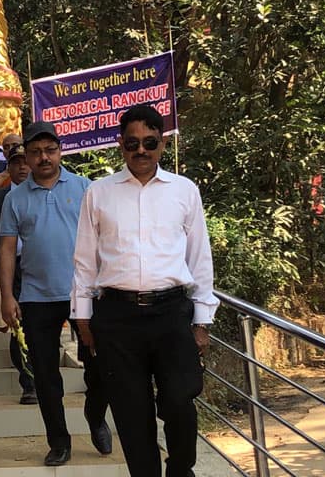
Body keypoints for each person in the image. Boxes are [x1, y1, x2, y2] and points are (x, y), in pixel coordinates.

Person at [73, 104, 218, 477]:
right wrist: (83, 317)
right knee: (131, 411)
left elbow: (199, 258)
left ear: (161, 145)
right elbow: (85, 261)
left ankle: (180, 469)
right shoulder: (99, 193)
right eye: (132, 143)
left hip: (171, 314)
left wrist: (202, 320)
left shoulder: (184, 191)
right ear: (121, 145)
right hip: (117, 318)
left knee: (180, 401)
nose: (141, 151)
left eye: (149, 143)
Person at [0, 122, 110, 466]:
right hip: (36, 297)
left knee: (101, 368)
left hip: (85, 295)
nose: (43, 157)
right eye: (35, 152)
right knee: (45, 376)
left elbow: (105, 240)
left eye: (50, 150)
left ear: (60, 151)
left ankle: (95, 415)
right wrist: (6, 296)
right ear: (25, 157)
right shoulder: (14, 198)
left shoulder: (85, 188)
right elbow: (6, 248)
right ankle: (59, 441)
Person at [0, 144, 36, 405]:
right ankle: (29, 382)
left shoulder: (47, 195)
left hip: (42, 271)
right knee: (19, 325)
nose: (23, 167)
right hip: (11, 270)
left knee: (40, 328)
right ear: (9, 167)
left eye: (27, 161)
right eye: (16, 163)